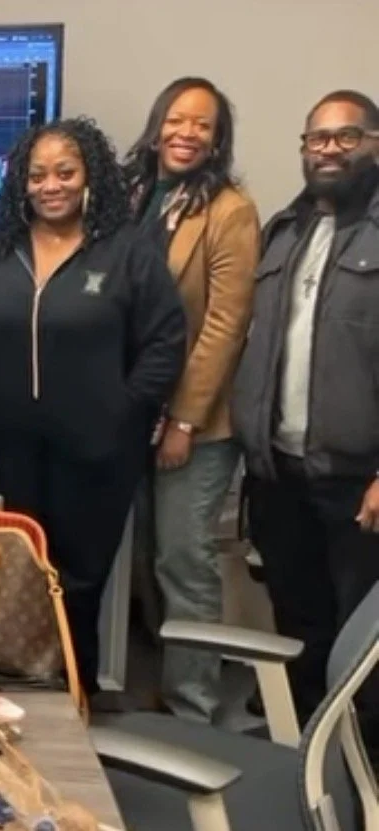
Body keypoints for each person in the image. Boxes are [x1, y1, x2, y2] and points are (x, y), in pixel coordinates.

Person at [0, 117, 187, 700]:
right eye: (37, 174)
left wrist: (125, 410)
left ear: (90, 176)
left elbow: (166, 341)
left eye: (65, 172)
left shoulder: (128, 253)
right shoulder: (0, 251)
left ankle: (76, 706)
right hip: (10, 450)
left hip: (97, 452)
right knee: (19, 581)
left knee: (77, 586)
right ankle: (19, 707)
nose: (51, 186)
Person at [232, 89, 379, 757]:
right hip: (277, 471)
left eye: (346, 137)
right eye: (316, 137)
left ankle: (358, 761)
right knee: (298, 620)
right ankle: (304, 748)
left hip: (357, 482)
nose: (328, 148)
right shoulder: (284, 232)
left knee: (361, 636)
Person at [123, 78, 261, 723]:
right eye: (177, 119)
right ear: (157, 125)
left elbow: (224, 328)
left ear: (217, 138)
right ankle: (166, 684)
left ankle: (194, 710)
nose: (187, 133)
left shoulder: (228, 209)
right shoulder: (133, 196)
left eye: (202, 125)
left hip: (194, 424)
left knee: (184, 560)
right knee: (149, 559)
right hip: (134, 410)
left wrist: (183, 419)